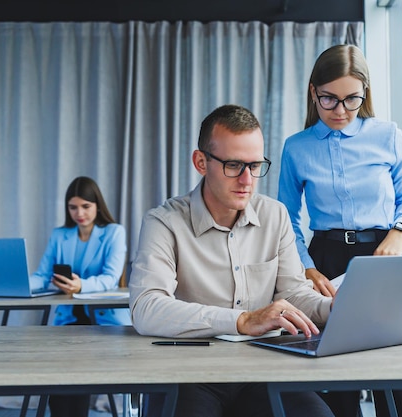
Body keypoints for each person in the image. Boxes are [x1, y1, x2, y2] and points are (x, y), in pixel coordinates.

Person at [129, 104, 335, 417]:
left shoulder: (275, 216)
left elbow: (293, 295)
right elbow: (146, 309)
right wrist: (242, 320)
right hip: (189, 375)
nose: (247, 180)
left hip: (265, 370)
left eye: (255, 165)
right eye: (233, 165)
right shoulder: (164, 222)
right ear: (201, 162)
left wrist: (335, 309)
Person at [277, 44, 402, 417]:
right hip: (324, 261)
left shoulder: (387, 136)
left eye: (351, 100)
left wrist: (399, 233)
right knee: (333, 376)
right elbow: (285, 219)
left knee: (401, 374)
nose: (340, 110)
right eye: (329, 99)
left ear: (365, 93)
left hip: (381, 256)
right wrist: (306, 267)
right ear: (314, 92)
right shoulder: (296, 148)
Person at [29, 175, 127, 417]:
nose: (79, 213)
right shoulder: (60, 235)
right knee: (58, 378)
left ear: (97, 206)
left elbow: (110, 278)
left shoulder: (114, 232)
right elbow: (42, 275)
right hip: (68, 321)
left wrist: (80, 285)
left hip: (104, 320)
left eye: (85, 206)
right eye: (73, 207)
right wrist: (19, 284)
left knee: (78, 368)